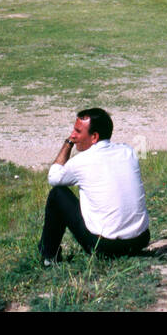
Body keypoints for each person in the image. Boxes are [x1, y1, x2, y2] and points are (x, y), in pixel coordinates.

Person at [37, 107, 150, 265]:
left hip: (104, 246)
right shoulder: (128, 151)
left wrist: (68, 143)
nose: (73, 135)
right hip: (140, 240)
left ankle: (49, 256)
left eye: (77, 131)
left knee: (58, 194)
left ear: (94, 137)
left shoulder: (81, 161)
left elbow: (53, 177)